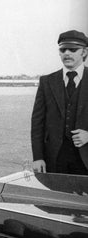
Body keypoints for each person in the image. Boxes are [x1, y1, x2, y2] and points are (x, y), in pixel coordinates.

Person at [31, 30, 88, 175]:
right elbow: (37, 123)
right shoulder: (47, 82)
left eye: (73, 49)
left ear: (84, 52)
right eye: (63, 49)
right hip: (54, 160)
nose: (67, 53)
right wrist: (38, 157)